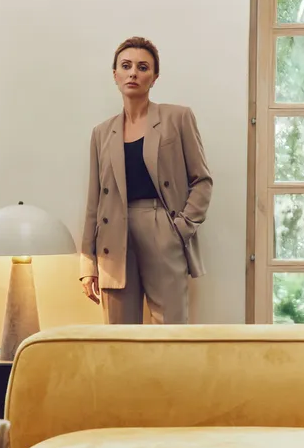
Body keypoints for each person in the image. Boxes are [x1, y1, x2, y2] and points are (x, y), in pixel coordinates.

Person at [80, 36, 212, 324]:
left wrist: (180, 228)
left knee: (170, 328)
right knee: (119, 334)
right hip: (113, 234)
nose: (133, 73)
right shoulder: (102, 133)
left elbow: (202, 180)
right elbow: (94, 201)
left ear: (154, 77)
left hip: (162, 225)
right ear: (115, 74)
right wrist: (87, 262)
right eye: (126, 66)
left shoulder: (177, 118)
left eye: (142, 67)